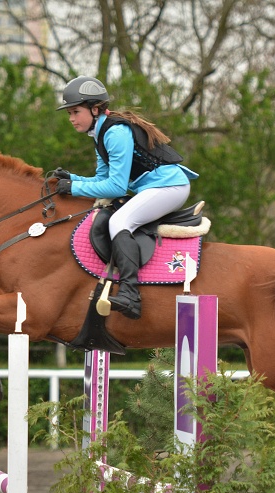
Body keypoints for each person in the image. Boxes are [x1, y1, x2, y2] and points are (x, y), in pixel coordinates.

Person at [54, 76, 199, 320]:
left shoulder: (115, 133)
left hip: (170, 187)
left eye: (75, 112)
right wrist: (73, 180)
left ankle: (131, 294)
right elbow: (101, 179)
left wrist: (74, 188)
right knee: (117, 218)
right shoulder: (100, 135)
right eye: (69, 113)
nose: (71, 118)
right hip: (156, 188)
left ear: (95, 109)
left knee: (119, 222)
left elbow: (116, 187)